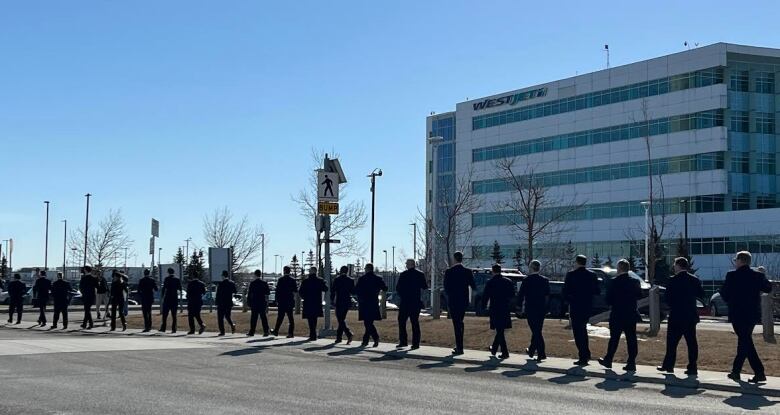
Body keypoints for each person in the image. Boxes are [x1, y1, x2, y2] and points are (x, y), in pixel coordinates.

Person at [720, 251, 773, 383]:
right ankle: (736, 371)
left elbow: (724, 294)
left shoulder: (731, 275)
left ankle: (759, 372)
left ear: (740, 261)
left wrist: (731, 301)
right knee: (744, 341)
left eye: (735, 260)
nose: (735, 262)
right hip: (752, 314)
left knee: (745, 341)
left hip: (737, 314)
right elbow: (768, 288)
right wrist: (763, 276)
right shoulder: (757, 276)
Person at [657, 257, 705, 376]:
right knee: (691, 342)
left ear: (678, 266)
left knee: (672, 343)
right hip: (690, 315)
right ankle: (692, 367)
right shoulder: (694, 280)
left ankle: (669, 365)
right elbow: (701, 294)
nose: (674, 267)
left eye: (675, 265)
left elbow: (667, 298)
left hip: (676, 315)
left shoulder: (673, 280)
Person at [599, 259, 642, 372]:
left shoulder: (613, 282)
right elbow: (639, 295)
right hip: (630, 313)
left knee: (614, 338)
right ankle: (631, 362)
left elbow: (608, 299)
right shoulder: (634, 282)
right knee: (631, 339)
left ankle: (608, 359)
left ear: (619, 269)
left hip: (617, 313)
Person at [563, 255, 600, 365]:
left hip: (575, 306)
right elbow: (597, 291)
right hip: (587, 306)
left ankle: (583, 355)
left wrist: (570, 299)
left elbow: (565, 292)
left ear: (577, 262)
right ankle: (586, 354)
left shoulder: (571, 275)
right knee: (583, 330)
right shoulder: (592, 275)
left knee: (578, 332)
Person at [443, 251, 476, 355]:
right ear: (462, 258)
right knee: (460, 321)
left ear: (454, 259)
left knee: (456, 323)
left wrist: (450, 296)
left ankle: (459, 347)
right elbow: (473, 286)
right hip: (463, 300)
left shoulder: (449, 271)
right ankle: (459, 345)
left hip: (453, 300)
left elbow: (446, 287)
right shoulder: (467, 271)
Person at [518, 260, 550, 362]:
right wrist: (547, 308)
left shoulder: (527, 280)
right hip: (541, 309)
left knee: (536, 331)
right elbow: (547, 295)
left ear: (532, 268)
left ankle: (541, 353)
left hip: (531, 308)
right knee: (537, 330)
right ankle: (532, 350)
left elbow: (521, 295)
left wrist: (518, 306)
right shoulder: (544, 280)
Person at [481, 264, 516, 359]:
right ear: (500, 270)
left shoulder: (490, 282)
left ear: (493, 271)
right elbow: (512, 295)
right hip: (505, 308)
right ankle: (494, 349)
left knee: (499, 330)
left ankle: (505, 352)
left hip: (495, 308)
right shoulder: (508, 282)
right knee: (500, 329)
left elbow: (485, 296)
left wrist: (483, 307)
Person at [396, 259, 427, 349]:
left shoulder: (403, 275)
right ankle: (415, 343)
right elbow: (424, 286)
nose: (406, 265)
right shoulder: (420, 274)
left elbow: (398, 288)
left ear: (410, 265)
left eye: (406, 264)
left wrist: (402, 295)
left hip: (405, 302)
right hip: (415, 302)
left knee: (402, 321)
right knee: (415, 322)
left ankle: (403, 341)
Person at [354, 263, 388, 347]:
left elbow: (356, 290)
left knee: (367, 322)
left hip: (364, 303)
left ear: (367, 269)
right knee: (369, 322)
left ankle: (373, 338)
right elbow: (385, 288)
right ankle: (367, 340)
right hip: (373, 302)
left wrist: (360, 297)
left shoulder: (362, 279)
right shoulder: (378, 278)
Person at [300, 267, 328, 341]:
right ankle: (313, 334)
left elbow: (301, 292)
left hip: (308, 302)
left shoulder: (305, 281)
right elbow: (326, 289)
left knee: (310, 319)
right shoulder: (320, 281)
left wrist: (305, 297)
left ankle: (312, 334)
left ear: (310, 272)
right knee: (314, 318)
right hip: (316, 302)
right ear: (316, 272)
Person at [272, 266, 298, 338]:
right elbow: (295, 291)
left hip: (282, 301)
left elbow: (277, 291)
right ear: (290, 271)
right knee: (290, 318)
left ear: (284, 271)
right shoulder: (293, 280)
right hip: (289, 301)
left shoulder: (280, 280)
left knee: (280, 317)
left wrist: (276, 300)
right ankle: (290, 333)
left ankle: (276, 331)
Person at [331, 266, 354, 344]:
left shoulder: (337, 280)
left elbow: (333, 291)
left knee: (340, 319)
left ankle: (348, 333)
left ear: (340, 271)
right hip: (347, 301)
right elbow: (353, 291)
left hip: (339, 301)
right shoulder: (350, 280)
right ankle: (339, 337)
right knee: (342, 319)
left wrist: (332, 300)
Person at [246, 270, 270, 337]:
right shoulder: (264, 283)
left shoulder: (252, 283)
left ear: (255, 275)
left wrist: (249, 302)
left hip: (254, 302)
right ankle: (266, 331)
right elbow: (268, 293)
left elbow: (249, 294)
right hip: (262, 302)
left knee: (254, 318)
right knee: (263, 317)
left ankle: (252, 332)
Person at [160, 268, 182, 333]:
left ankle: (163, 328)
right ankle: (174, 329)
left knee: (165, 315)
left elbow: (164, 288)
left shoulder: (167, 279)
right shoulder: (177, 279)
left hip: (167, 298)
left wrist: (162, 296)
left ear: (168, 272)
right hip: (174, 298)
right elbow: (180, 288)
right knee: (174, 315)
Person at [215, 271, 237, 336]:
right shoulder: (232, 283)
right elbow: (235, 291)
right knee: (227, 316)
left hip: (221, 303)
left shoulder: (220, 284)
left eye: (222, 276)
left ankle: (222, 331)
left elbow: (218, 294)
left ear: (223, 276)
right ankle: (232, 325)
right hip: (228, 302)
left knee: (220, 318)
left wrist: (217, 302)